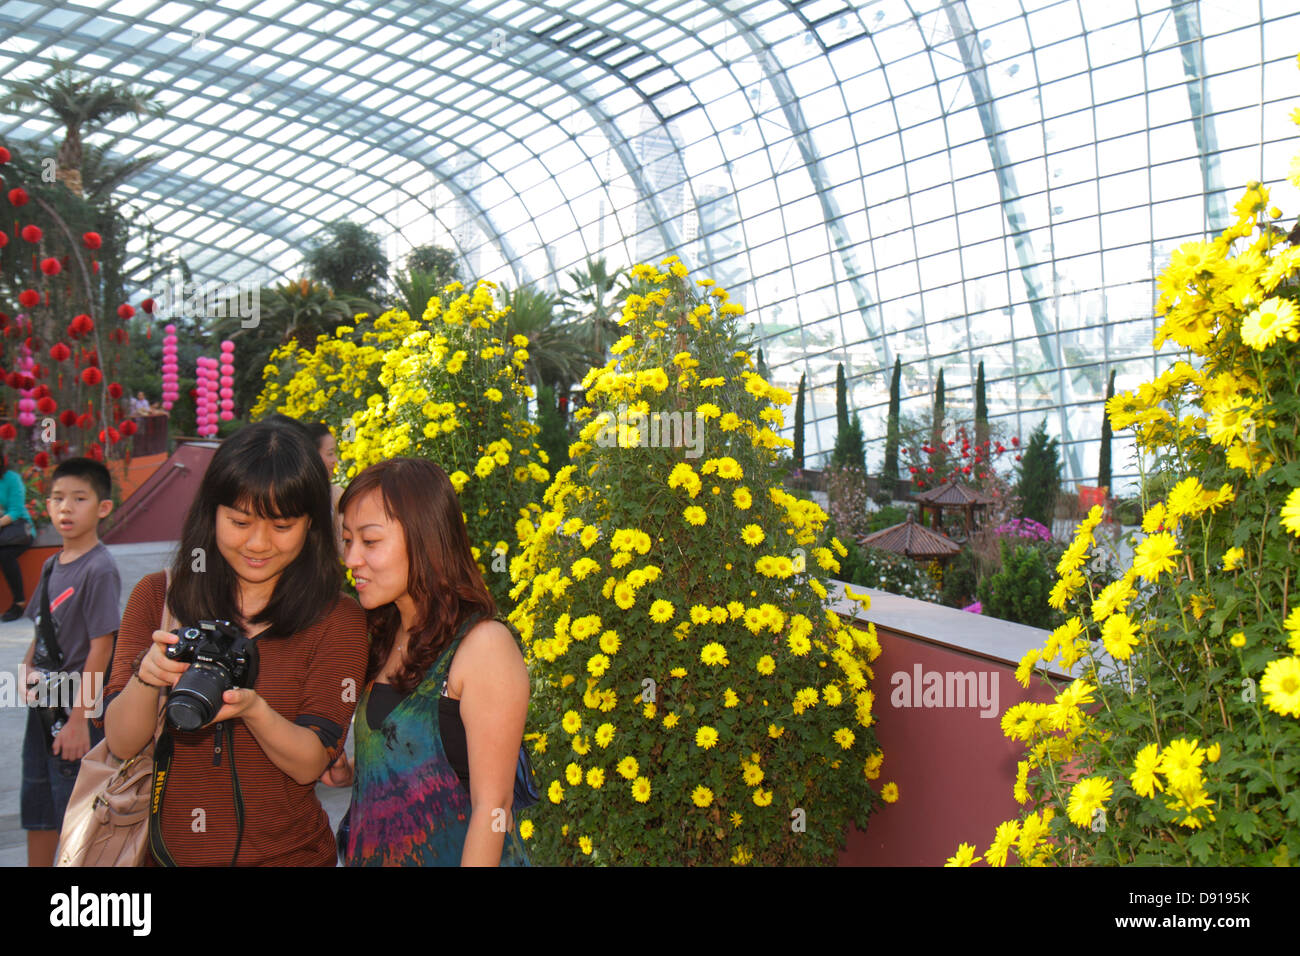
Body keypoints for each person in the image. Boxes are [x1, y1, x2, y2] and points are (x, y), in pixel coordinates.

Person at [102, 421, 368, 865]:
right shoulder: (157, 597)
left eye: (282, 525)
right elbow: (121, 742)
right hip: (166, 857)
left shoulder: (337, 619)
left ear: (311, 527)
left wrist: (253, 709)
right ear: (212, 514)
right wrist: (148, 679)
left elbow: (310, 763)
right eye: (239, 521)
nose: (258, 543)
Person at [327, 457, 530, 866]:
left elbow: (494, 807)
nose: (351, 560)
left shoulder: (482, 646)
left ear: (424, 539)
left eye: (369, 541)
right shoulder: (382, 635)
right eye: (347, 541)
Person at [20, 457, 120, 866]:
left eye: (79, 498)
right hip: (42, 707)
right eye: (58, 498)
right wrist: (26, 668)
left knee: (74, 815)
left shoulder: (99, 568)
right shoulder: (49, 565)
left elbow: (103, 647)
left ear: (103, 509)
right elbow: (41, 628)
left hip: (74, 709)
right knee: (39, 808)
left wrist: (81, 719)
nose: (66, 508)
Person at [0, 451, 34, 621]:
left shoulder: (11, 479)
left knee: (5, 555)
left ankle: (19, 602)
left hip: (17, 530)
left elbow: (15, 512)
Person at [304, 422, 344, 549]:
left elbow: (342, 546)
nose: (335, 460)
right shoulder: (288, 494)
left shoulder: (335, 495)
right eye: (330, 453)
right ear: (312, 456)